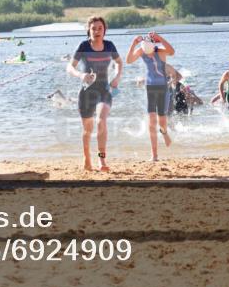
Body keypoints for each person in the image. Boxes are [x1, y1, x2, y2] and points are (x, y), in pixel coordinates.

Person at [67, 16, 122, 172]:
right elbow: (70, 67)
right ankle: (86, 158)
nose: (97, 31)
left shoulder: (109, 45)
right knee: (87, 129)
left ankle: (101, 160)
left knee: (101, 121)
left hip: (104, 90)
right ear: (88, 30)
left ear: (104, 31)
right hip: (86, 92)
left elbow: (119, 62)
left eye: (100, 28)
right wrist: (81, 75)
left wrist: (117, 77)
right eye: (94, 28)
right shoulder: (83, 46)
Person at [126, 31, 175, 161]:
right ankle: (154, 155)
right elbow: (129, 60)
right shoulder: (142, 51)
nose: (147, 52)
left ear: (153, 45)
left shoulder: (160, 51)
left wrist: (160, 37)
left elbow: (172, 51)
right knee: (152, 120)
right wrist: (133, 43)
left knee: (162, 121)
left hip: (163, 88)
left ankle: (164, 132)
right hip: (150, 88)